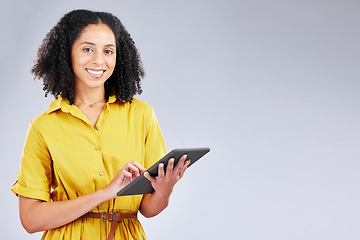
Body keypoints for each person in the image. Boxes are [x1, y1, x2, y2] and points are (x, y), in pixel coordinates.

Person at [11, 9, 190, 240]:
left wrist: (164, 191)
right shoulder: (43, 126)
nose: (98, 60)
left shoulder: (141, 114)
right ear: (68, 53)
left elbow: (148, 208)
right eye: (87, 49)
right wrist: (105, 194)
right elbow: (31, 219)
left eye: (108, 51)